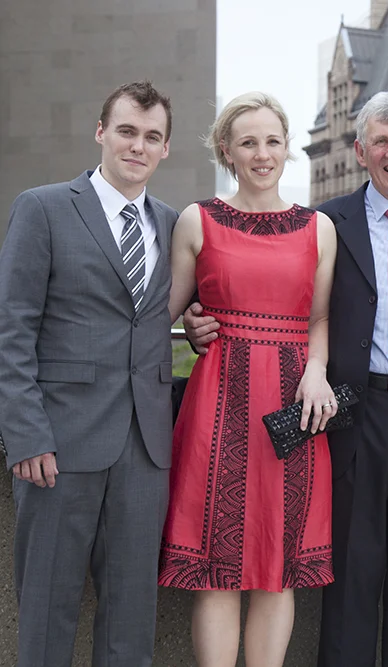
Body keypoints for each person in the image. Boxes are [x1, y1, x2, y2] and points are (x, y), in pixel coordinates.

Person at [185, 91, 388, 666]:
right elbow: (247, 280)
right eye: (381, 142)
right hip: (350, 413)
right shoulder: (325, 221)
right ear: (360, 151)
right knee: (349, 573)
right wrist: (195, 314)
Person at [158, 92, 339, 667]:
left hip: (293, 405)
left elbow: (321, 317)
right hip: (218, 401)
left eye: (272, 141)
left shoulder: (320, 227)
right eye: (248, 142)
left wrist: (316, 370)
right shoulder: (197, 219)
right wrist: (190, 320)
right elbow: (166, 310)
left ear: (287, 149)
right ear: (227, 152)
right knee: (217, 565)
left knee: (278, 565)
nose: (262, 154)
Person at [0, 81, 176, 667]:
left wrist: (196, 324)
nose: (138, 146)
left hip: (145, 448)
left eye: (152, 136)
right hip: (58, 446)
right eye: (127, 131)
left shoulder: (174, 226)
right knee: (48, 613)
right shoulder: (43, 207)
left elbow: (163, 310)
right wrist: (25, 435)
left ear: (165, 149)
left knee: (132, 619)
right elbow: (12, 330)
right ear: (102, 132)